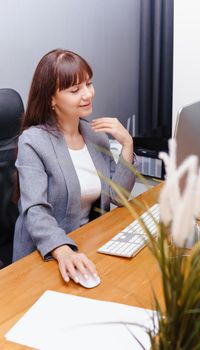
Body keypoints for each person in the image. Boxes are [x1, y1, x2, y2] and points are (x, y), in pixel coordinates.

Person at [13, 49, 136, 283]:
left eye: (88, 84)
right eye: (75, 90)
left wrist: (127, 144)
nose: (88, 94)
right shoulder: (33, 141)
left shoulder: (95, 134)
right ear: (51, 98)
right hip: (45, 254)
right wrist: (63, 251)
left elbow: (118, 197)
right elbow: (36, 211)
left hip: (87, 243)